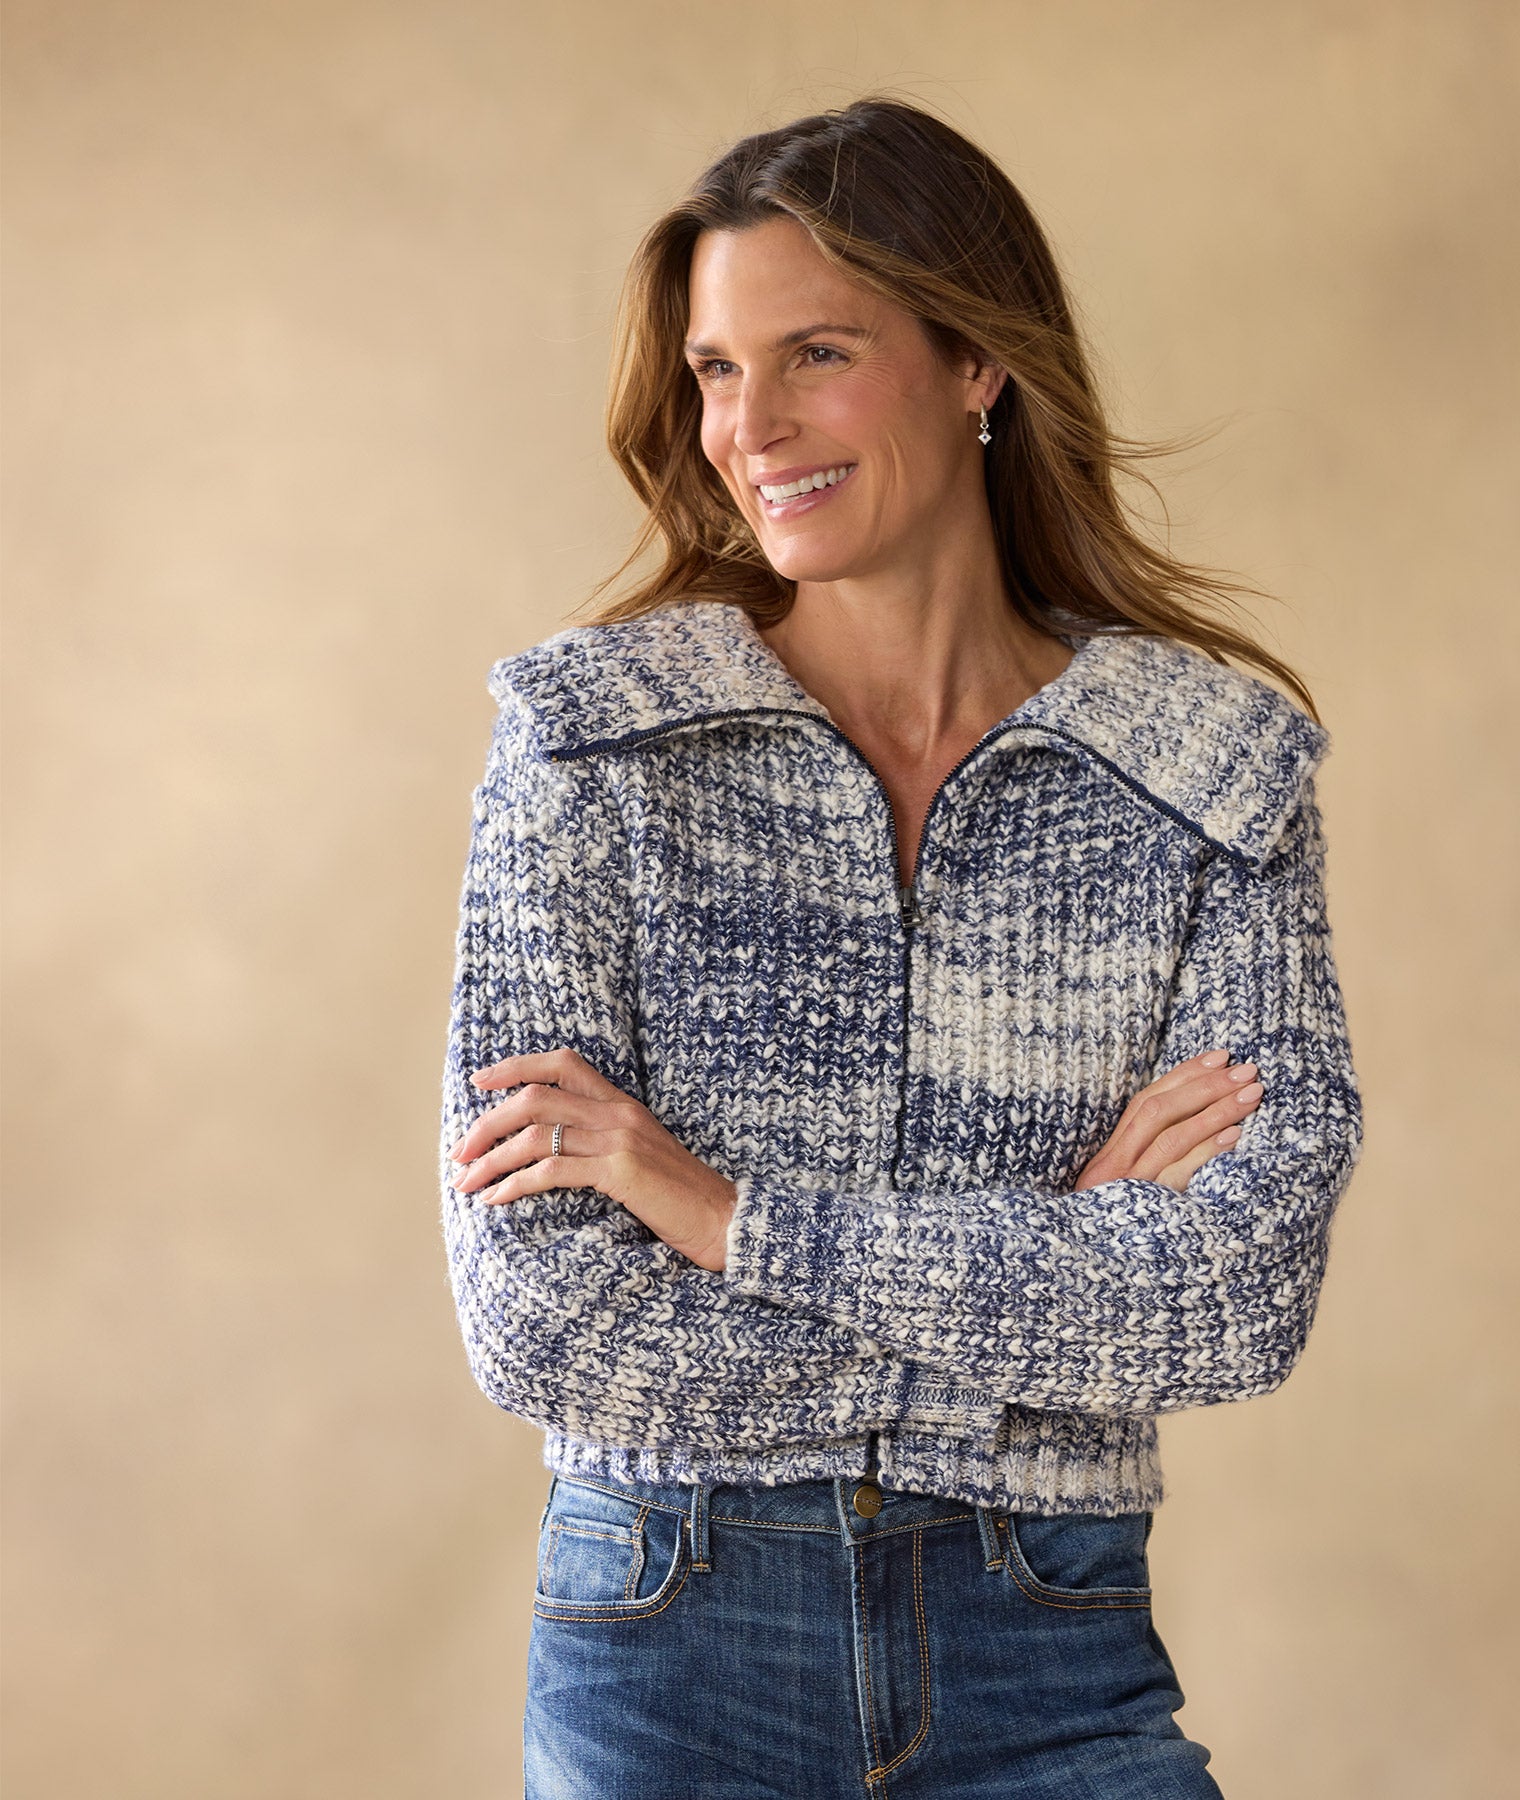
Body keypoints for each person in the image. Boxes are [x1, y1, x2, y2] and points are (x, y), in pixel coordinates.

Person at [439, 93, 1364, 1800]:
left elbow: (1237, 1297)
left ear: (976, 360)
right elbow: (546, 1324)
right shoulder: (590, 742)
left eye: (818, 354)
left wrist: (725, 1220)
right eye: (717, 369)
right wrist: (1053, 1262)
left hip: (1050, 1642)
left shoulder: (1205, 770)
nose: (751, 426)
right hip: (672, 1642)